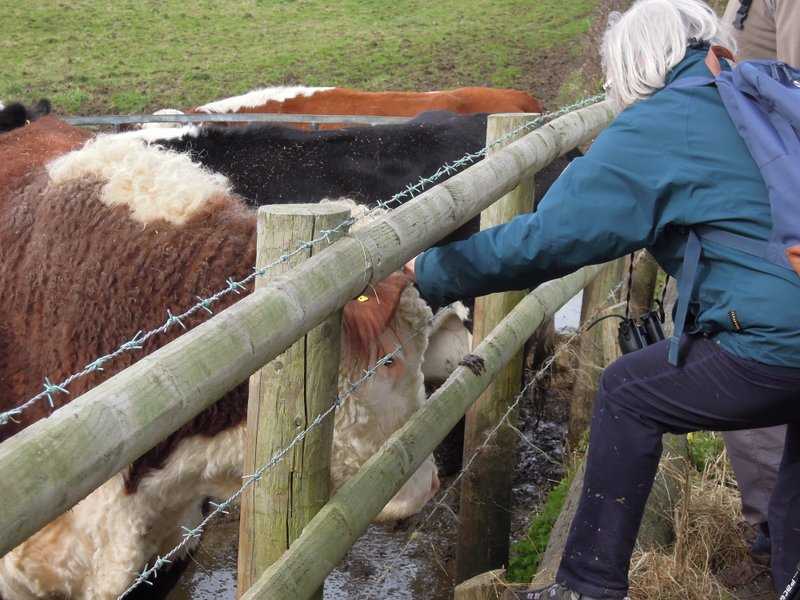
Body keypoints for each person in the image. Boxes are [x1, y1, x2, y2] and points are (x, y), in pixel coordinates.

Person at [406, 0, 800, 597]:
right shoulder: (758, 91)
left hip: (782, 343)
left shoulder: (660, 124)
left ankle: (585, 585)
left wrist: (426, 271)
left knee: (628, 392)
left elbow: (545, 242)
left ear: (631, 66)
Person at [713, 0, 800, 569]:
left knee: (763, 354)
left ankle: (778, 535)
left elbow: (794, 91)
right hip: (767, 199)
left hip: (782, 212)